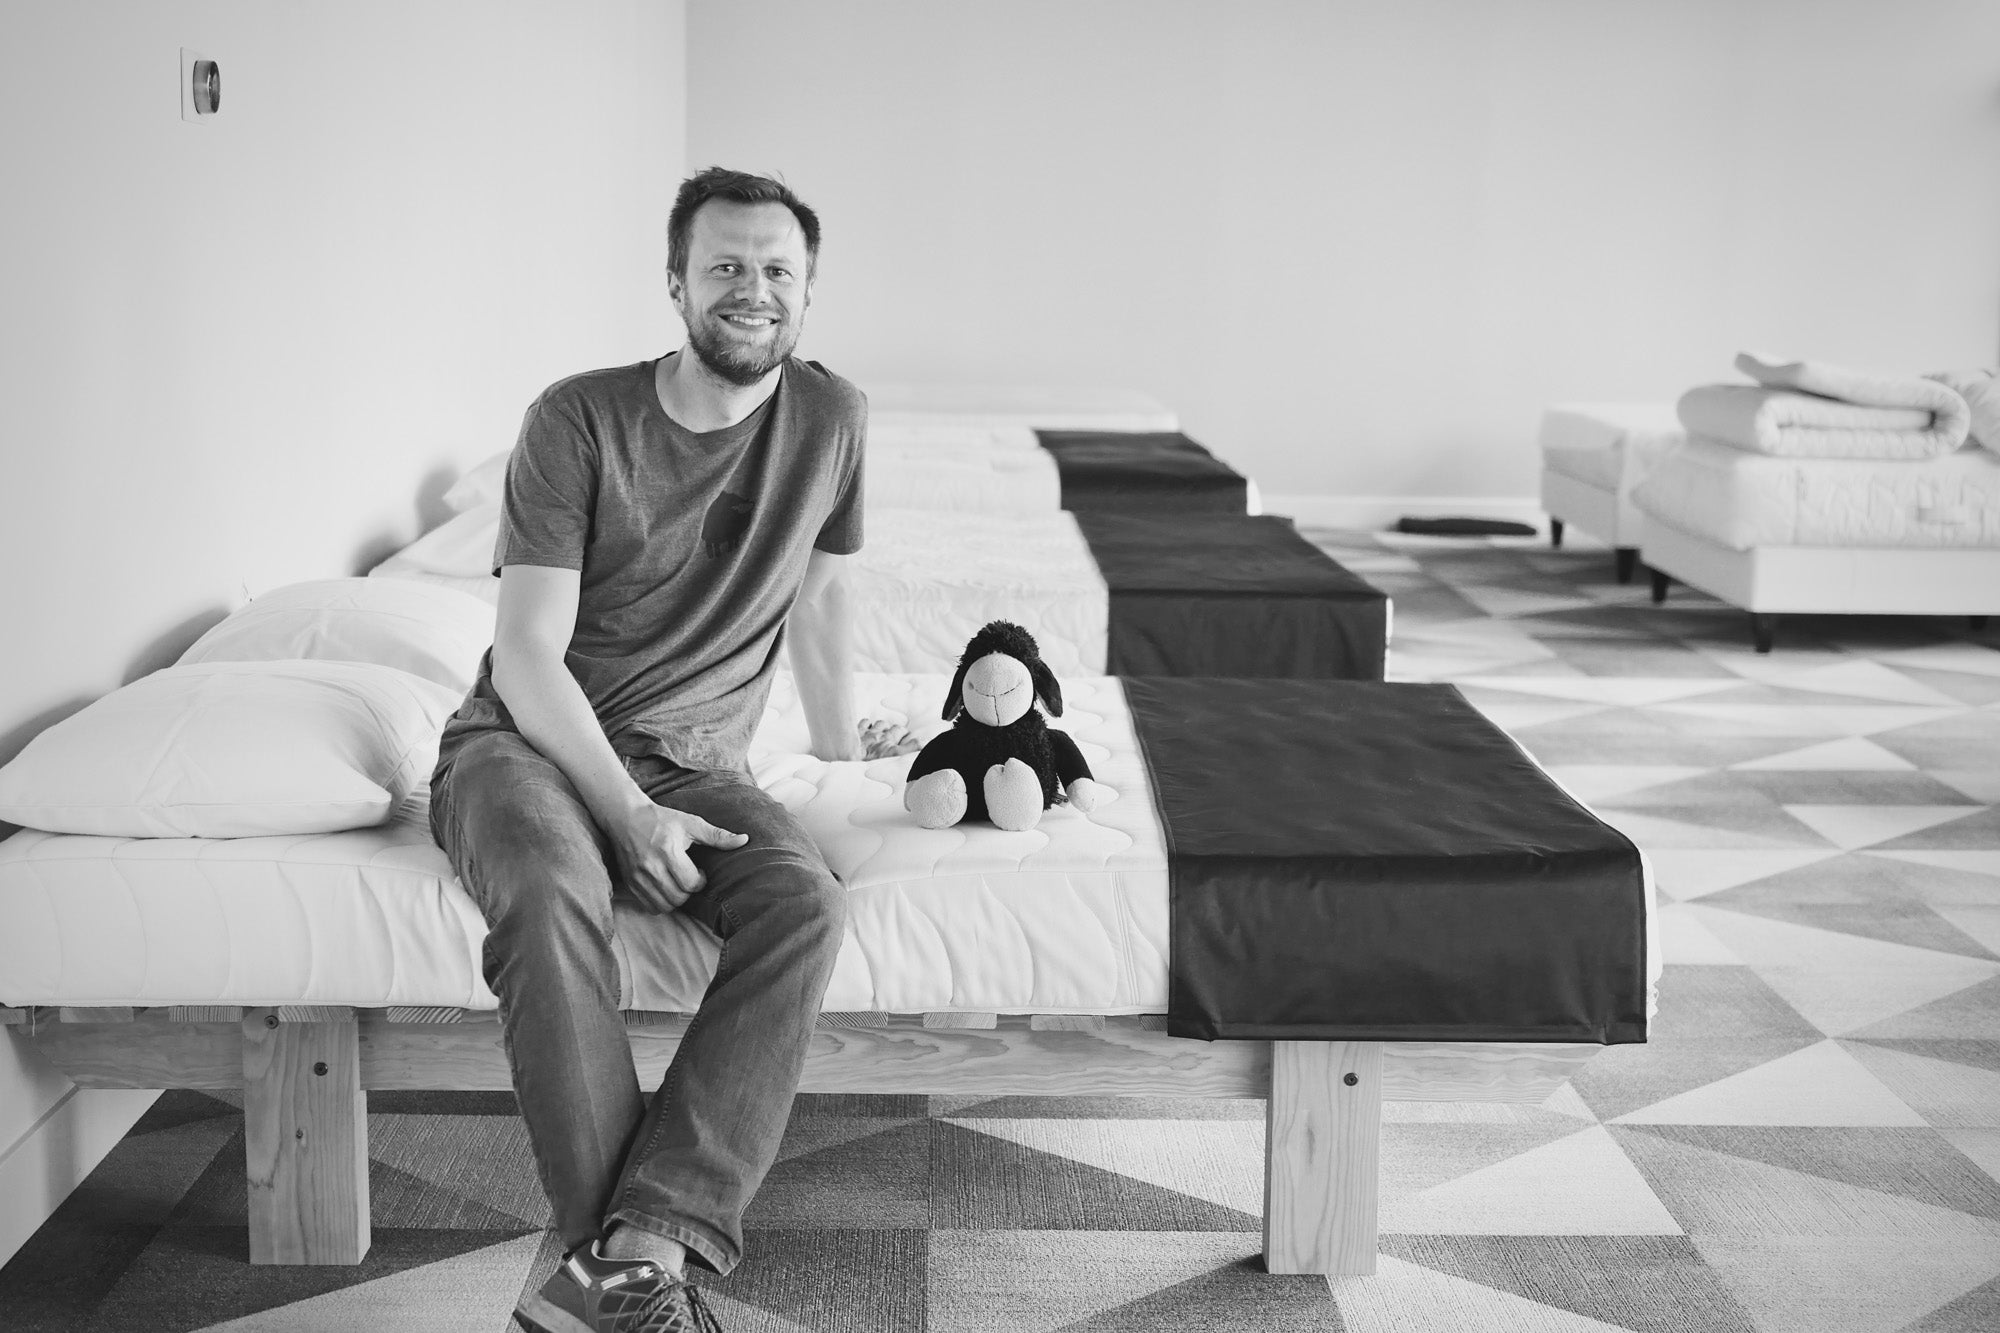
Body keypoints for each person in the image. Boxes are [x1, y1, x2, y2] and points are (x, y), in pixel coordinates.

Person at [429, 167, 907, 1333]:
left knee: (803, 903)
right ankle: (634, 1279)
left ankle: (633, 1251)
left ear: (808, 290)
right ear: (676, 282)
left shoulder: (833, 419)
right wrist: (624, 813)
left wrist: (844, 749)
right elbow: (530, 655)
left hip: (698, 765)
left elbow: (821, 604)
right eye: (726, 267)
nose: (754, 290)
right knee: (549, 889)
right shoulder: (576, 418)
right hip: (525, 747)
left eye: (777, 270)